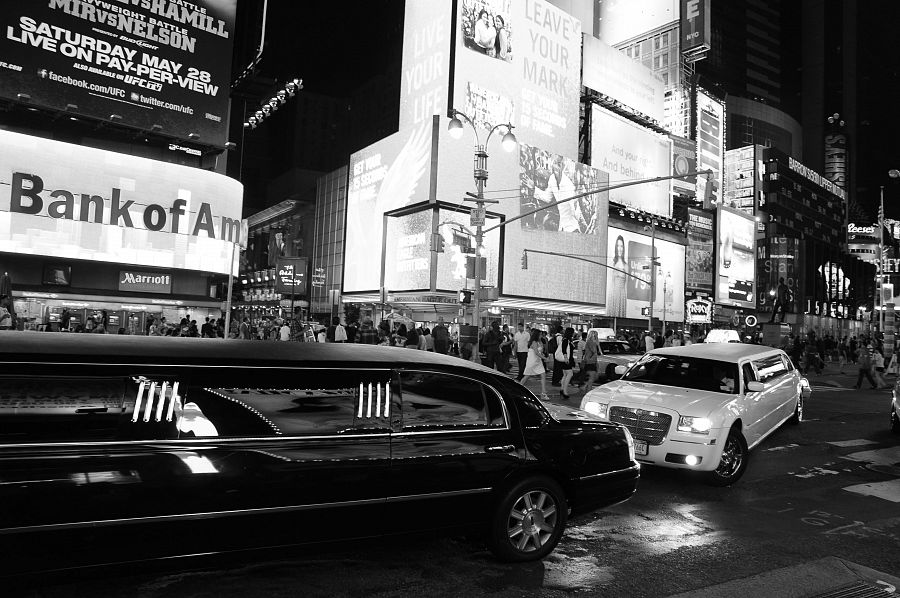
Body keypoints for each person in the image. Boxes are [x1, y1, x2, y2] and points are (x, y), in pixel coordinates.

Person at [520, 328, 549, 401]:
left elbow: (540, 352)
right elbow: (536, 352)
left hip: (538, 361)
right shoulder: (534, 342)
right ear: (537, 335)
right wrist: (545, 358)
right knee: (527, 376)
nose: (541, 336)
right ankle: (518, 388)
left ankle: (543, 393)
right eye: (540, 335)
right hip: (532, 361)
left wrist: (543, 355)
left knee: (543, 374)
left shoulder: (539, 341)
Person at [607, 235, 627, 317]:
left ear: (623, 248)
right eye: (618, 246)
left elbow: (627, 285)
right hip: (613, 294)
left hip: (622, 295)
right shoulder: (612, 263)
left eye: (621, 246)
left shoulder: (626, 265)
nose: (619, 248)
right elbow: (610, 281)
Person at [557, 328, 576, 399]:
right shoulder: (566, 340)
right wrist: (565, 358)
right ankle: (564, 391)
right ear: (570, 333)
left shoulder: (567, 340)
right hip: (566, 359)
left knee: (565, 374)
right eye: (573, 332)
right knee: (569, 374)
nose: (574, 333)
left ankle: (562, 389)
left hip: (567, 359)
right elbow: (564, 350)